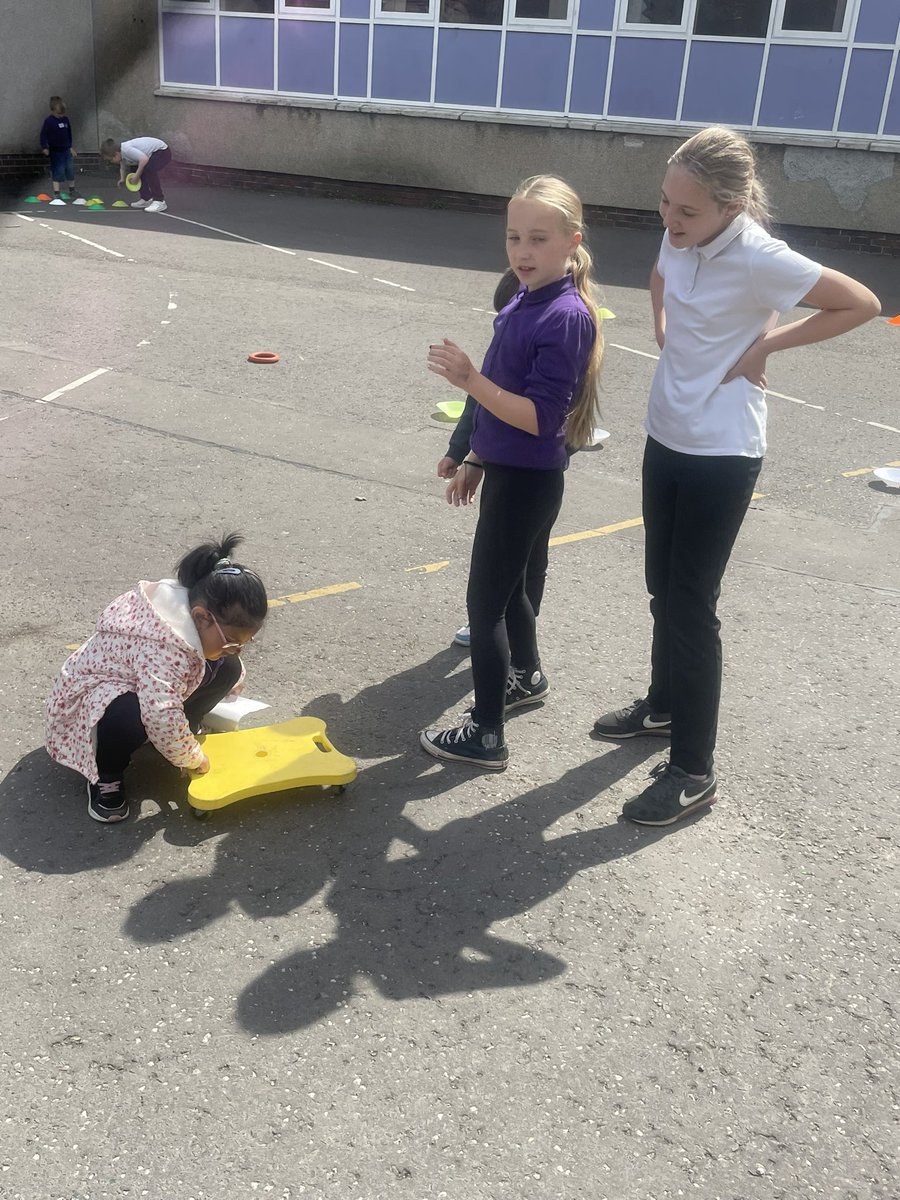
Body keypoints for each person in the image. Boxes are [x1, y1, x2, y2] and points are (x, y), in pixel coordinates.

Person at [593, 125, 880, 827]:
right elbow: (661, 272)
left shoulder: (759, 256)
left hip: (723, 452)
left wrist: (766, 344)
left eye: (687, 210)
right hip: (666, 435)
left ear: (731, 206)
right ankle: (664, 707)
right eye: (665, 202)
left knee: (692, 604)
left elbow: (861, 303)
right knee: (662, 587)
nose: (670, 218)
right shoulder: (680, 232)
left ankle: (694, 772)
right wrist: (662, 322)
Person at [421, 175, 603, 770]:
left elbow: (540, 417)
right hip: (512, 473)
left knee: (486, 607)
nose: (522, 251)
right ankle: (527, 675)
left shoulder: (564, 315)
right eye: (514, 236)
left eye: (539, 239)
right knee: (514, 587)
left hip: (528, 481)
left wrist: (469, 380)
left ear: (572, 242)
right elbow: (504, 398)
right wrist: (475, 455)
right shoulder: (526, 298)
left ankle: (487, 734)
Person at [46, 534, 269, 823]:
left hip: (145, 685)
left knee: (228, 667)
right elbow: (159, 712)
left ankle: (175, 735)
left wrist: (230, 663)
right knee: (132, 713)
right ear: (201, 617)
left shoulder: (192, 611)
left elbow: (196, 671)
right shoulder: (163, 647)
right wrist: (191, 757)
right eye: (231, 642)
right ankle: (105, 773)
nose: (236, 649)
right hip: (89, 704)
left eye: (242, 644)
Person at [438, 268, 521, 650]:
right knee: (496, 560)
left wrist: (477, 456)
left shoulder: (555, 342)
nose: (502, 326)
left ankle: (513, 636)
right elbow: (478, 401)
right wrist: (461, 452)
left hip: (531, 472)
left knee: (524, 563)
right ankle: (491, 622)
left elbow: (543, 419)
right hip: (499, 463)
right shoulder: (505, 342)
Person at [101, 135, 172, 213]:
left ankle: (159, 201)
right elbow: (122, 165)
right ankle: (147, 198)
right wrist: (122, 178)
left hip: (162, 151)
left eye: (111, 160)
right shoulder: (121, 153)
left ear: (116, 154)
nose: (111, 162)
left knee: (149, 170)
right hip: (152, 154)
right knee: (139, 170)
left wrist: (136, 176)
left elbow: (144, 159)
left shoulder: (126, 150)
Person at [40, 96, 77, 203]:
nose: (61, 116)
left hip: (66, 150)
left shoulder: (66, 120)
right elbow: (43, 135)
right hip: (55, 151)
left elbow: (69, 134)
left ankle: (72, 190)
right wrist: (45, 147)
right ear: (52, 111)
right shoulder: (49, 121)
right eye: (59, 114)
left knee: (70, 169)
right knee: (57, 171)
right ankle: (56, 193)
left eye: (62, 113)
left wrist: (70, 147)